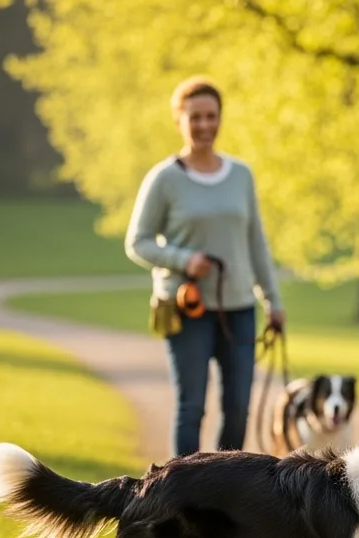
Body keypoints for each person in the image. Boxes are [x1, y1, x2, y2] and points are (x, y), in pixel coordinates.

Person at [125, 76, 286, 458]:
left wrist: (273, 301)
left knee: (238, 409)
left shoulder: (241, 175)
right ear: (179, 120)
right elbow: (137, 241)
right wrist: (185, 260)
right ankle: (182, 490)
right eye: (194, 117)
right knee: (192, 408)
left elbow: (256, 242)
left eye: (211, 116)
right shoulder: (164, 178)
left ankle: (225, 488)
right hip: (187, 308)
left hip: (238, 308)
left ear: (220, 118)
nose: (204, 125)